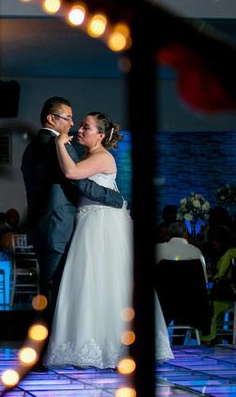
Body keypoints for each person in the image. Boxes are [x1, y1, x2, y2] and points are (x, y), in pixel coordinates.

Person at [45, 111, 173, 368]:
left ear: (101, 136)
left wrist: (60, 142)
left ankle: (116, 345)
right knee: (90, 285)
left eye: (86, 127)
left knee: (104, 283)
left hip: (101, 223)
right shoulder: (91, 155)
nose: (80, 130)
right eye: (80, 126)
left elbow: (72, 173)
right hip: (90, 220)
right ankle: (94, 344)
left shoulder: (103, 157)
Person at [21, 97, 124, 326]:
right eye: (68, 118)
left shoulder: (32, 146)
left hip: (44, 226)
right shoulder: (58, 145)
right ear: (52, 118)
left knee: (52, 289)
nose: (72, 124)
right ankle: (50, 346)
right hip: (58, 226)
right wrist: (116, 198)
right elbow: (80, 182)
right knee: (56, 290)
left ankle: (48, 344)